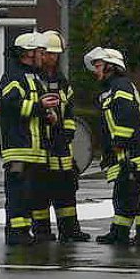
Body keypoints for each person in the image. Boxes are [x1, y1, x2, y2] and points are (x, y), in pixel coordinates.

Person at [85, 45, 140, 247]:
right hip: (121, 150)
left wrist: (119, 144)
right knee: (122, 193)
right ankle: (119, 232)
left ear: (110, 66)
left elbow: (127, 117)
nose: (95, 70)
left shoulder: (121, 86)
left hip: (134, 149)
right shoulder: (110, 89)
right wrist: (108, 151)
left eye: (98, 65)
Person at [33, 30, 90, 242]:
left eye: (56, 54)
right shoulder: (35, 79)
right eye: (49, 54)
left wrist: (67, 132)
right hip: (41, 146)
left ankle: (70, 230)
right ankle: (42, 231)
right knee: (40, 190)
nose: (52, 58)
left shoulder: (61, 81)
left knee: (66, 188)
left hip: (61, 146)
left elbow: (70, 110)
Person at [0, 32, 48, 247]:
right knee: (18, 193)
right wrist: (40, 108)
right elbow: (10, 105)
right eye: (39, 52)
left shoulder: (34, 77)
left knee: (29, 194)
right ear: (28, 53)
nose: (42, 56)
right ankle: (16, 232)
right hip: (18, 148)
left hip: (33, 149)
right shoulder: (13, 77)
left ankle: (23, 231)